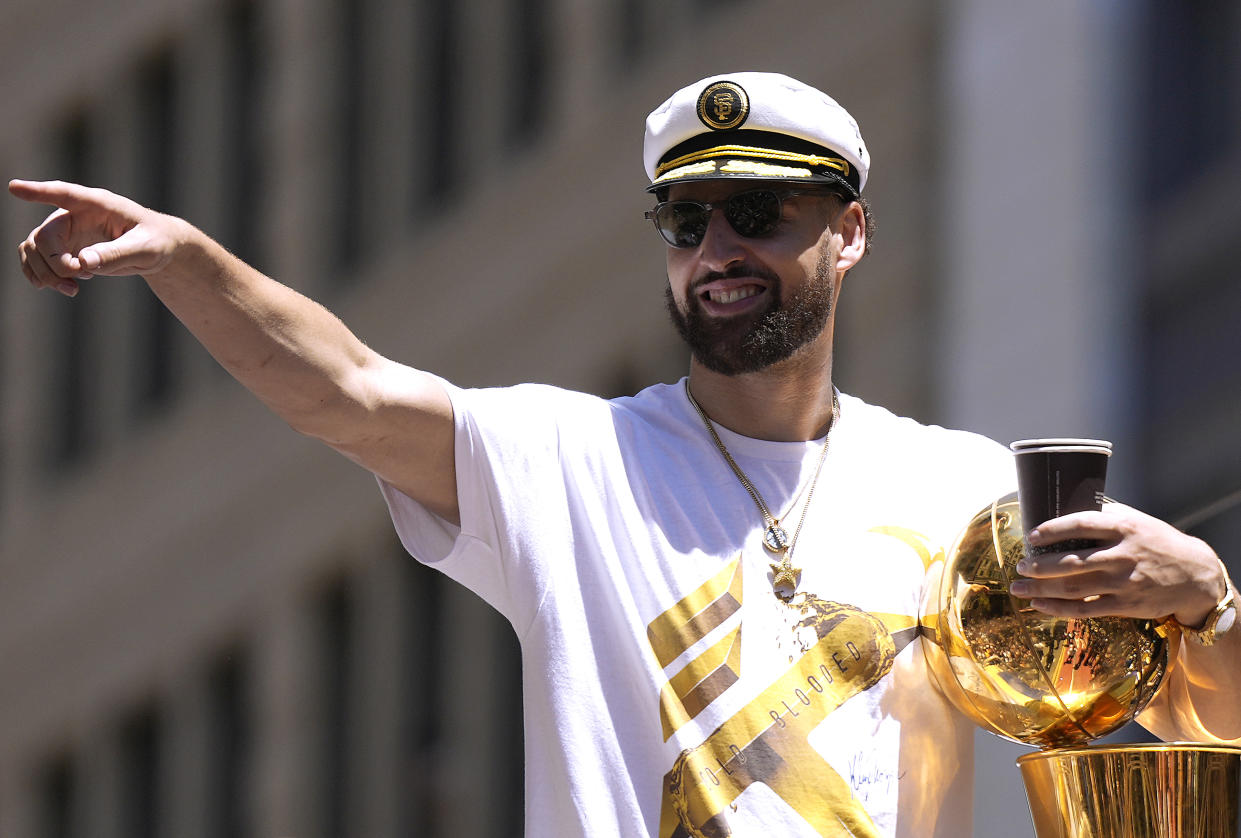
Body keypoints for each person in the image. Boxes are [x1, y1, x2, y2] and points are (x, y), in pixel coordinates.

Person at [12, 71, 1239, 837]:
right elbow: (343, 387)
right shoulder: (568, 457)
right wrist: (183, 258)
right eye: (684, 220)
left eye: (757, 213)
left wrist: (1208, 601)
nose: (715, 249)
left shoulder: (961, 488)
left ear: (848, 231)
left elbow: (1192, 740)